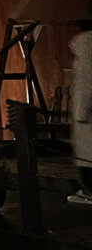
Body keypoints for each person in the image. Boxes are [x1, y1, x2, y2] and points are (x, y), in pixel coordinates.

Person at [68, 20, 92, 206]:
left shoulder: (85, 44)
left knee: (87, 154)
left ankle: (88, 191)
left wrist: (80, 112)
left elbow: (85, 82)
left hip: (88, 115)